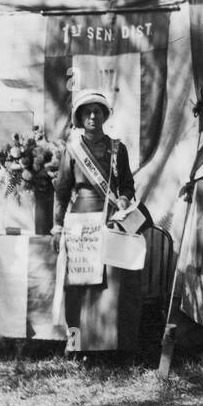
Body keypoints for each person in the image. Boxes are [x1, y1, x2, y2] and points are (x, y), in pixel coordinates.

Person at [51, 89, 142, 353]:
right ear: (80, 117)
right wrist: (57, 226)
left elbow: (127, 185)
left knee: (110, 285)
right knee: (77, 286)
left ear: (104, 116)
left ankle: (107, 344)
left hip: (111, 222)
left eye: (97, 112)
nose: (92, 116)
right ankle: (75, 344)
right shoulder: (72, 150)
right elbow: (62, 190)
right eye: (87, 112)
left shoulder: (118, 148)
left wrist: (123, 200)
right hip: (80, 222)